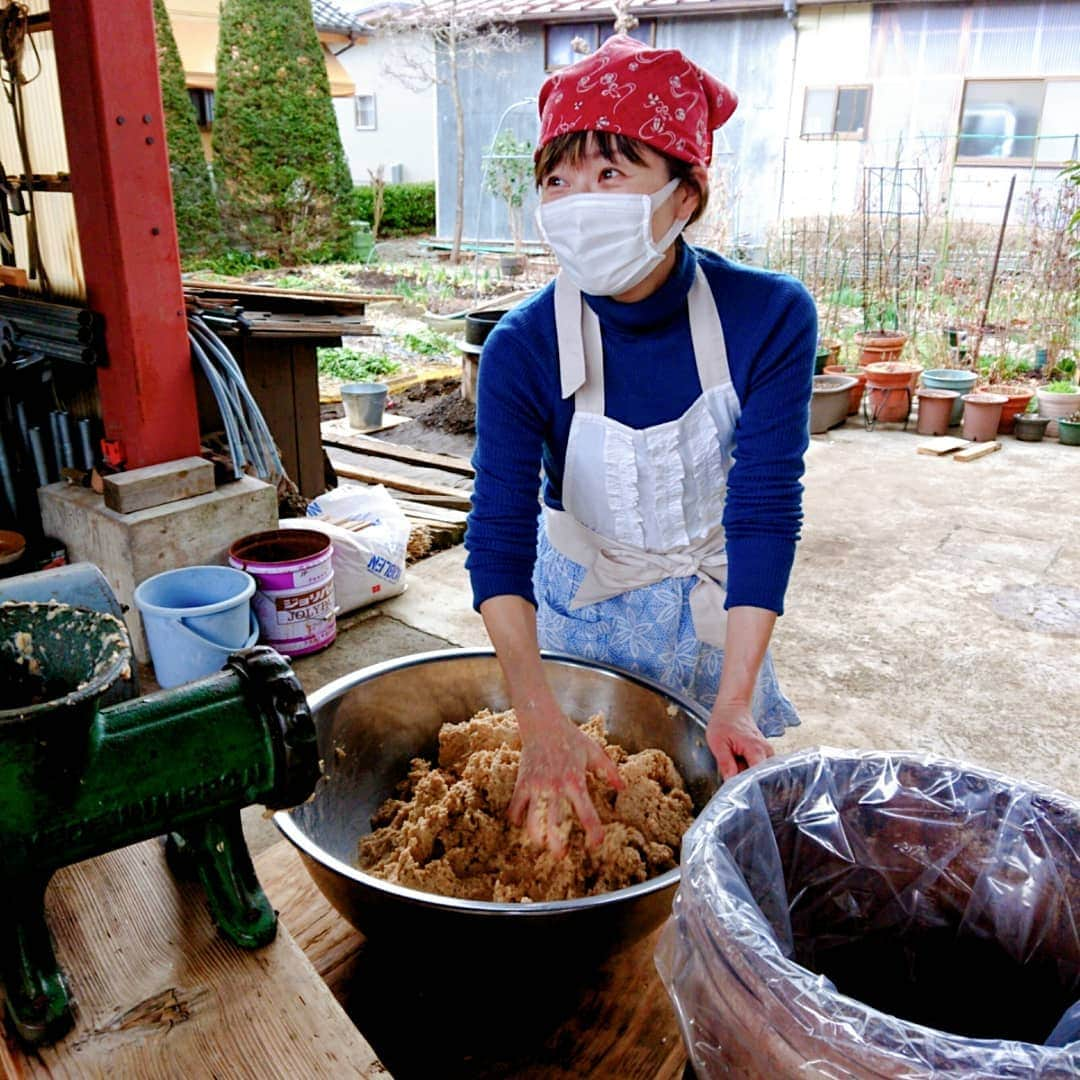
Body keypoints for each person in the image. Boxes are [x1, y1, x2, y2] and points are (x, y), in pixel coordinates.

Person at [464, 34, 816, 855]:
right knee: (576, 841)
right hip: (580, 621)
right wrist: (539, 717)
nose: (579, 200)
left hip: (712, 622)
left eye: (611, 173)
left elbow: (764, 511)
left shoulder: (768, 317)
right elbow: (497, 543)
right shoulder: (523, 347)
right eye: (559, 178)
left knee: (707, 833)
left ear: (686, 193)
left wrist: (733, 702)